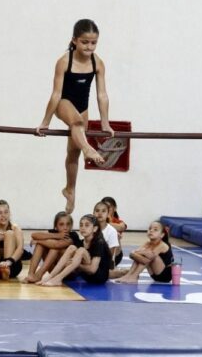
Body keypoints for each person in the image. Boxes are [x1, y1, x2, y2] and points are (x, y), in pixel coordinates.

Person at [36, 19, 114, 214]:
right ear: (74, 41)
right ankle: (89, 148)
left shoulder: (98, 63)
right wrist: (45, 121)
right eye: (85, 42)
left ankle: (70, 190)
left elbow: (102, 95)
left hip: (83, 107)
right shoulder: (64, 61)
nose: (89, 47)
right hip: (63, 103)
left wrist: (105, 122)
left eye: (93, 42)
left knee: (73, 152)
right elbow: (55, 94)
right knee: (77, 124)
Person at [37, 214, 111, 286]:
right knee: (72, 247)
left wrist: (77, 264)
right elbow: (74, 262)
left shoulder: (99, 242)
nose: (83, 228)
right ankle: (50, 276)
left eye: (87, 225)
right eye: (81, 225)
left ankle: (58, 278)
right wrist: (70, 262)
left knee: (81, 250)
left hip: (98, 278)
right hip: (86, 277)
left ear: (95, 228)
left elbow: (92, 270)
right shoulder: (81, 242)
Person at [23, 211, 82, 284]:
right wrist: (56, 235)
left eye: (68, 224)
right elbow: (34, 235)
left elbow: (57, 245)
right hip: (53, 270)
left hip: (68, 272)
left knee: (54, 249)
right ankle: (31, 274)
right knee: (40, 246)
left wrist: (38, 241)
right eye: (61, 224)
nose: (65, 227)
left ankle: (39, 275)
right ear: (56, 226)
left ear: (71, 225)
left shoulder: (73, 235)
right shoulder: (55, 232)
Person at [93, 201, 121, 267]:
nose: (100, 213)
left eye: (103, 211)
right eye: (97, 211)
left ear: (108, 214)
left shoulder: (112, 231)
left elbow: (110, 255)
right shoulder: (90, 228)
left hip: (104, 264)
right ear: (93, 213)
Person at [101, 196, 127, 265]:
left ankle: (111, 263)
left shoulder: (118, 221)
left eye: (109, 207)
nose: (106, 209)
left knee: (115, 234)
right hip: (100, 252)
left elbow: (122, 227)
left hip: (116, 254)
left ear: (114, 208)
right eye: (104, 207)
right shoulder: (97, 220)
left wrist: (107, 222)